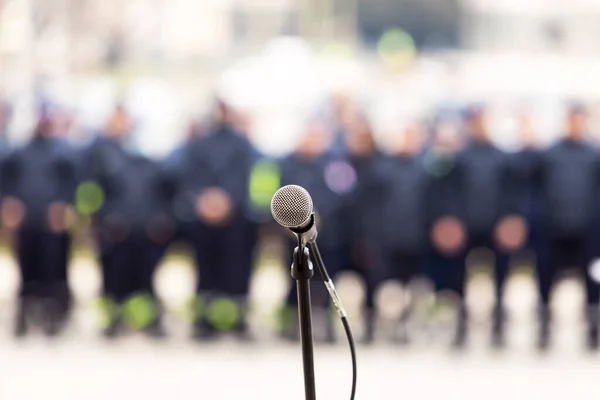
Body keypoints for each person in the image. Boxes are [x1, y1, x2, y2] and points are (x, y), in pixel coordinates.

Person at [79, 105, 175, 338]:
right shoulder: (100, 155)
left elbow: (166, 192)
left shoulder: (154, 157)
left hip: (146, 231)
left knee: (145, 278)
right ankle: (113, 321)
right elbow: (92, 191)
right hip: (113, 231)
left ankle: (147, 321)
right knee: (113, 278)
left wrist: (161, 219)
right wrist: (98, 220)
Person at [180, 100, 258, 341]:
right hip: (204, 221)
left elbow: (250, 178)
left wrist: (228, 201)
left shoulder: (243, 146)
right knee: (206, 271)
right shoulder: (198, 146)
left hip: (237, 221)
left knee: (236, 271)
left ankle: (236, 321)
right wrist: (205, 201)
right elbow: (187, 178)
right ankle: (205, 321)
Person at [451, 106, 526, 348]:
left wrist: (511, 220)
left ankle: (498, 326)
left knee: (501, 275)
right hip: (467, 225)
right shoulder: (460, 157)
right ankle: (461, 325)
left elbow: (512, 192)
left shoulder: (502, 157)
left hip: (497, 226)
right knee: (460, 275)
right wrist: (452, 221)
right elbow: (452, 193)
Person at [0, 108, 78, 337]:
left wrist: (63, 206)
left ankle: (51, 316)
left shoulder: (64, 154)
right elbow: (6, 181)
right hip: (27, 221)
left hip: (52, 224)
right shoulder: (18, 153)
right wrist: (9, 204)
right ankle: (24, 316)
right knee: (26, 269)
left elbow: (72, 184)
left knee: (52, 271)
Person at [532, 104, 600, 350]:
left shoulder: (594, 155)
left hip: (587, 231)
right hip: (554, 230)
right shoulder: (550, 154)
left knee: (593, 281)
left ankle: (593, 330)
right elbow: (537, 190)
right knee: (546, 279)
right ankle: (544, 329)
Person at [277, 119, 346, 343]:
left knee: (325, 280)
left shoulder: (335, 164)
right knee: (293, 279)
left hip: (327, 235)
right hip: (292, 235)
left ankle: (326, 324)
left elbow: (341, 195)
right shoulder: (286, 164)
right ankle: (290, 324)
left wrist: (317, 217)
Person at [340, 113, 389, 344]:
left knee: (372, 281)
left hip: (372, 233)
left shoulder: (380, 166)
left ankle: (370, 325)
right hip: (344, 232)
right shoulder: (341, 162)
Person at [381, 122, 429, 343]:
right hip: (392, 236)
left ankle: (412, 322)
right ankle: (392, 324)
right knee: (392, 284)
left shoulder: (426, 167)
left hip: (418, 237)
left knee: (416, 284)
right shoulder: (385, 168)